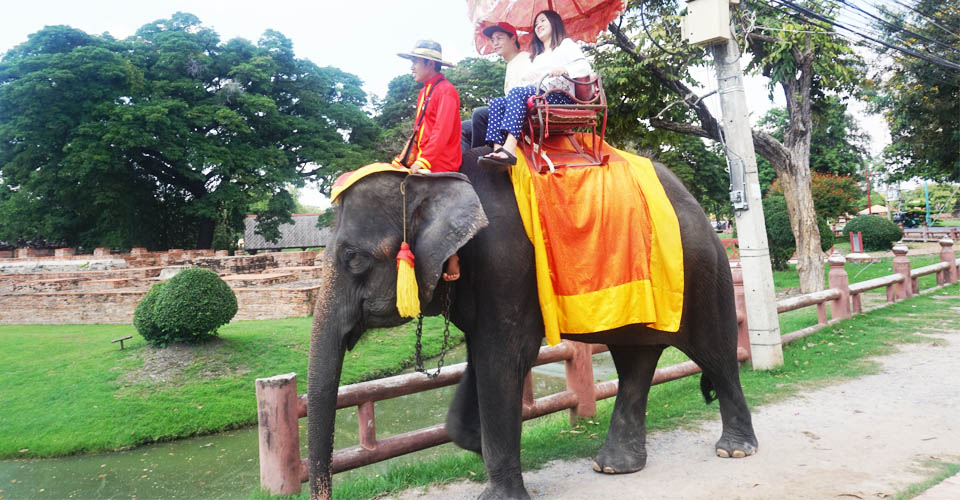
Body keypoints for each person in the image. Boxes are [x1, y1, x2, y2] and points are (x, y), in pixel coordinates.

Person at [478, 10, 592, 168]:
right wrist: (531, 77)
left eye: (543, 21)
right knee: (497, 102)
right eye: (536, 24)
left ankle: (509, 148)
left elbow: (584, 67)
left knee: (517, 93)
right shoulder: (537, 56)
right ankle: (498, 150)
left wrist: (564, 69)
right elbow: (536, 82)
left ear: (554, 22)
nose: (538, 26)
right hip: (541, 94)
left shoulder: (565, 45)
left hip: (560, 97)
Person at [394, 40, 462, 280]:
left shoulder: (446, 90)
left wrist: (424, 162)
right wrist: (405, 159)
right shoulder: (425, 92)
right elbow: (419, 131)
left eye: (415, 62)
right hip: (426, 157)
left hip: (441, 161)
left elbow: (441, 132)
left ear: (429, 63)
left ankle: (453, 254)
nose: (411, 67)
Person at [460, 22, 534, 151]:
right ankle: (468, 162)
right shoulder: (511, 64)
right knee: (463, 127)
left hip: (521, 114)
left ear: (513, 39)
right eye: (493, 40)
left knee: (479, 114)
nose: (495, 43)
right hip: (509, 112)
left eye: (499, 38)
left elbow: (530, 93)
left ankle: (478, 158)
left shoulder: (525, 59)